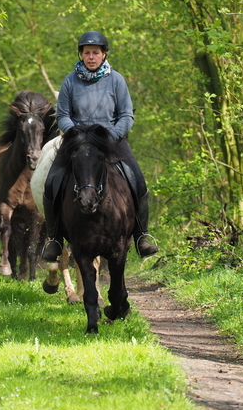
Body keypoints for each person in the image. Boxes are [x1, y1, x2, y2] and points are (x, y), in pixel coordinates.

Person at [41, 30, 158, 262]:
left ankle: (141, 236)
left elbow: (126, 115)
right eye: (87, 53)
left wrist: (112, 136)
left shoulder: (117, 80)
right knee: (52, 181)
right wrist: (75, 133)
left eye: (96, 52)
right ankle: (54, 239)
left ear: (104, 54)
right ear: (81, 55)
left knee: (137, 178)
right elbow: (63, 114)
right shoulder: (69, 81)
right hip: (77, 142)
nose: (91, 57)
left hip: (111, 141)